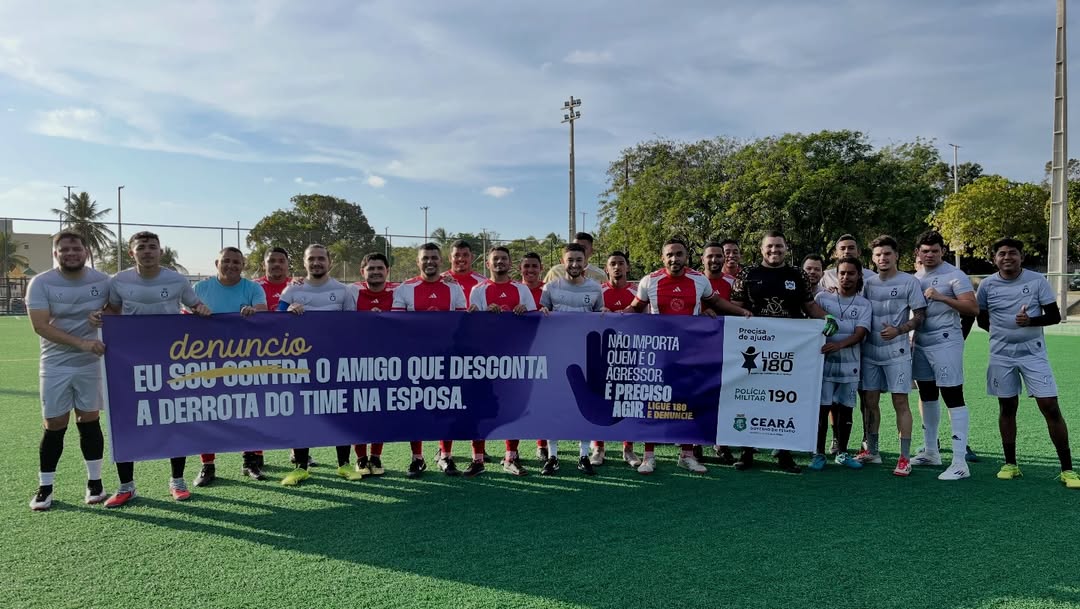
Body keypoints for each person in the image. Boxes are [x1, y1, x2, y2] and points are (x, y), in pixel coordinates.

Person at [96, 231, 212, 508]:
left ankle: (177, 481)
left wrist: (202, 310)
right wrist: (100, 316)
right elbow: (112, 311)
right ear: (132, 252)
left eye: (152, 247)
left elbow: (195, 305)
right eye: (141, 247)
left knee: (176, 417)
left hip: (170, 359)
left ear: (161, 251)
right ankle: (126, 486)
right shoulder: (119, 280)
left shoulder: (176, 280)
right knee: (126, 420)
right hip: (129, 360)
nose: (147, 251)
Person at [626, 238, 751, 474]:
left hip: (690, 352)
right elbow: (634, 308)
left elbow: (716, 301)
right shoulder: (649, 280)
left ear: (686, 257)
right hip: (659, 353)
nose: (675, 258)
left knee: (688, 402)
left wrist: (741, 311)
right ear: (662, 258)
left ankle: (687, 455)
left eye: (679, 254)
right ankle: (648, 456)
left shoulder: (699, 279)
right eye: (670, 254)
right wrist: (611, 315)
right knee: (653, 403)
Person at [730, 230, 837, 474]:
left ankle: (785, 453)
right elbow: (736, 307)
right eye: (769, 246)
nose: (774, 250)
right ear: (761, 249)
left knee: (785, 398)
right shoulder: (747, 274)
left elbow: (809, 306)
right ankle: (747, 451)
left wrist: (827, 317)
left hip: (789, 349)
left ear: (786, 249)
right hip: (754, 348)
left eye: (779, 246)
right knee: (752, 397)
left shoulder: (797, 274)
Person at [976, 238, 1079, 488]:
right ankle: (1010, 464)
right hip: (1001, 356)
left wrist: (1030, 321)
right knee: (1007, 407)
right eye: (1002, 253)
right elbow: (982, 319)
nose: (1007, 257)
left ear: (1021, 257)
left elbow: (1054, 316)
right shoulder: (987, 285)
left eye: (1012, 253)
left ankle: (1067, 469)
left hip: (1034, 355)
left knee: (1050, 406)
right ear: (994, 259)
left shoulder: (1036, 281)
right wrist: (1004, 336)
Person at [26, 231, 111, 511]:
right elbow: (40, 325)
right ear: (56, 254)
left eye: (76, 248)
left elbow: (116, 310)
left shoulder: (102, 281)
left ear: (86, 251)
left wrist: (104, 316)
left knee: (89, 420)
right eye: (64, 249)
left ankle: (95, 483)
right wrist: (82, 343)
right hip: (55, 364)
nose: (71, 253)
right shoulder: (41, 282)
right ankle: (45, 488)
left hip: (91, 364)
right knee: (54, 424)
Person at [276, 244, 362, 486]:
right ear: (304, 262)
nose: (316, 263)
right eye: (311, 259)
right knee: (302, 413)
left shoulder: (344, 291)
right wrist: (287, 312)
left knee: (340, 411)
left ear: (329, 262)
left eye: (321, 258)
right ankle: (300, 467)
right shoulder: (292, 290)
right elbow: (275, 321)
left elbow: (353, 326)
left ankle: (344, 464)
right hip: (301, 364)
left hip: (335, 363)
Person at [192, 247, 269, 486]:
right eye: (226, 261)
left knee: (250, 409)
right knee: (207, 410)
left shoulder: (253, 288)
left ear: (243, 265)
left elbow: (264, 313)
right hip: (208, 359)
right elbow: (185, 317)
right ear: (217, 263)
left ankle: (251, 461)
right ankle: (207, 465)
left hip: (246, 359)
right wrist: (196, 312)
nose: (231, 265)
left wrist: (253, 313)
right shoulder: (200, 288)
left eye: (236, 262)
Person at [392, 243, 468, 477]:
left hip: (446, 358)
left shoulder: (453, 288)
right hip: (415, 359)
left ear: (441, 261)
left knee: (446, 405)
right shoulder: (405, 288)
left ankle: (445, 456)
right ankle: (417, 458)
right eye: (425, 258)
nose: (430, 261)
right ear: (418, 262)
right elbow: (397, 326)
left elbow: (462, 324)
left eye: (434, 257)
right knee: (416, 408)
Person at [856, 235, 927, 477]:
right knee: (870, 402)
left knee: (900, 402)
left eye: (887, 253)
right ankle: (872, 451)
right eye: (878, 254)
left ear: (896, 255)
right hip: (869, 352)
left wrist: (899, 330)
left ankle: (904, 458)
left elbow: (920, 315)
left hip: (897, 352)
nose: (883, 258)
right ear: (873, 258)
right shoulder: (868, 283)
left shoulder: (909, 282)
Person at [910, 231, 978, 480]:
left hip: (946, 342)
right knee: (927, 395)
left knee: (952, 395)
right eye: (925, 251)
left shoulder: (954, 275)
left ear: (943, 251)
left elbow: (973, 308)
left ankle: (960, 462)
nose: (930, 255)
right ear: (918, 252)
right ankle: (931, 452)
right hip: (921, 342)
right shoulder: (916, 277)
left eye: (935, 250)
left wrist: (942, 298)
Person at [467, 246, 537, 477]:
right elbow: (472, 325)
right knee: (480, 407)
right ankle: (478, 459)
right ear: (488, 264)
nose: (499, 262)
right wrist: (484, 315)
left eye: (503, 259)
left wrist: (524, 312)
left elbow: (535, 323)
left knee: (512, 407)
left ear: (510, 263)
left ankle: (511, 457)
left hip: (514, 357)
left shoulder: (522, 289)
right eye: (495, 259)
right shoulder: (478, 290)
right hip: (484, 358)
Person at [539, 243, 606, 476]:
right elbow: (540, 317)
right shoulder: (551, 287)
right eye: (570, 260)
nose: (575, 264)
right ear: (563, 261)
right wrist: (541, 313)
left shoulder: (595, 288)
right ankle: (553, 456)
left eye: (579, 260)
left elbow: (600, 317)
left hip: (584, 355)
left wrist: (604, 315)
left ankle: (584, 455)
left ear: (585, 261)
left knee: (585, 404)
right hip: (557, 354)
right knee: (555, 404)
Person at [809, 256, 870, 471]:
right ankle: (818, 454)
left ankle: (842, 453)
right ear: (836, 275)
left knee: (845, 410)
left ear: (859, 276)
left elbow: (860, 334)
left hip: (850, 367)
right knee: (822, 409)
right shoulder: (823, 298)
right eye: (842, 273)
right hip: (824, 366)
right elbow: (810, 322)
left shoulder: (864, 304)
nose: (846, 277)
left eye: (851, 273)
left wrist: (839, 345)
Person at [256, 246, 311, 468]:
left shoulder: (298, 285)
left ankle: (298, 452)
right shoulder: (254, 286)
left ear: (288, 264)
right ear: (264, 264)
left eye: (281, 261)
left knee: (296, 405)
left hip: (293, 356)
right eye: (272, 261)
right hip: (260, 356)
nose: (276, 264)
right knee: (258, 406)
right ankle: (254, 457)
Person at [348, 252, 399, 477]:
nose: (376, 272)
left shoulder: (399, 291)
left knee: (380, 410)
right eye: (371, 268)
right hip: (356, 360)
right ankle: (360, 457)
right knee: (357, 410)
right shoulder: (351, 292)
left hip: (386, 361)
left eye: (380, 268)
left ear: (387, 271)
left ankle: (376, 455)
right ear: (363, 272)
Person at [593, 251, 642, 468]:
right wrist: (599, 314)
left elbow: (649, 319)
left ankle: (628, 448)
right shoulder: (598, 291)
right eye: (612, 264)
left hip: (629, 353)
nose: (617, 267)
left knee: (627, 399)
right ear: (606, 268)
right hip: (602, 354)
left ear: (627, 267)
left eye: (621, 263)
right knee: (599, 398)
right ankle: (598, 447)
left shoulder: (637, 292)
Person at [702, 241, 739, 464]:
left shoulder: (733, 283)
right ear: (703, 259)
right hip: (698, 347)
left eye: (718, 256)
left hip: (726, 347)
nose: (714, 260)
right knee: (699, 395)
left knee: (723, 396)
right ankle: (694, 443)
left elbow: (738, 309)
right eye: (710, 256)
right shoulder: (696, 281)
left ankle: (721, 442)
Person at [519, 252, 552, 462]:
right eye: (526, 266)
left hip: (544, 352)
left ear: (541, 268)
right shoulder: (515, 289)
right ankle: (511, 451)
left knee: (542, 400)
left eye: (534, 266)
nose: (530, 270)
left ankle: (542, 444)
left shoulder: (549, 290)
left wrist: (550, 313)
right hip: (516, 354)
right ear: (520, 269)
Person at [543, 232, 609, 284]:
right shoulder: (555, 272)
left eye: (583, 248)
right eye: (574, 246)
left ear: (591, 251)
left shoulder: (600, 275)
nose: (577, 250)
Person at [443, 239, 487, 307]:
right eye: (456, 255)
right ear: (450, 258)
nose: (461, 259)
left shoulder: (483, 282)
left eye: (465, 255)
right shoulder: (441, 280)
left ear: (472, 257)